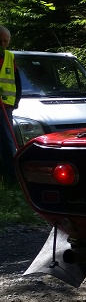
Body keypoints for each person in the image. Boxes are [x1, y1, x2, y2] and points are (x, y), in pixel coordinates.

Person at [0, 25, 22, 184]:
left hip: (4, 107)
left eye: (5, 41)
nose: (2, 43)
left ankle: (12, 179)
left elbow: (17, 83)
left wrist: (15, 104)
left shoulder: (10, 57)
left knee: (7, 143)